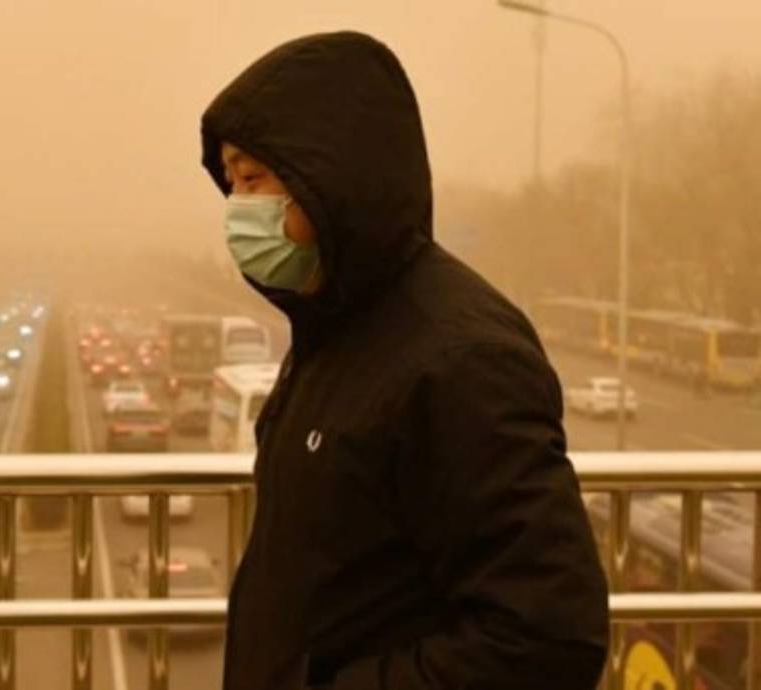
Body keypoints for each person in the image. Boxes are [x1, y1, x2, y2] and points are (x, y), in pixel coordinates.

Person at [201, 32, 609, 690]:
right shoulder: (333, 329)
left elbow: (547, 637)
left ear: (330, 172)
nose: (237, 209)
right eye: (229, 185)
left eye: (253, 178)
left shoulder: (461, 357)